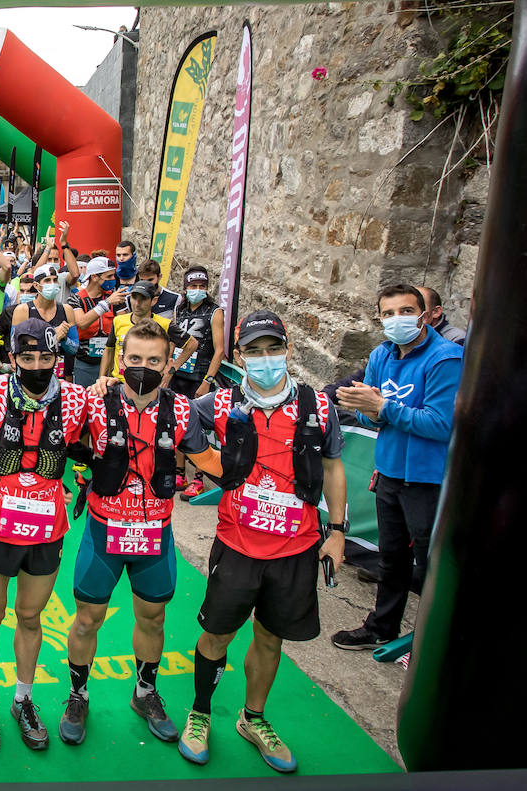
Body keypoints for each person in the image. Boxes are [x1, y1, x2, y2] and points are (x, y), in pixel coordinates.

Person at [178, 310, 347, 773]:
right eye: (254, 351)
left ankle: (253, 718)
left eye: (273, 348)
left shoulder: (319, 406)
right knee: (217, 634)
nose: (265, 359)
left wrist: (337, 533)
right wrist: (214, 466)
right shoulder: (219, 403)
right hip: (236, 545)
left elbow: (333, 468)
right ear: (240, 356)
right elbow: (181, 428)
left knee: (271, 637)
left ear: (287, 348)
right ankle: (200, 712)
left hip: (296, 549)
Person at [63, 321, 219, 749]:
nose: (143, 368)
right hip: (104, 530)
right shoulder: (93, 403)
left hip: (155, 535)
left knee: (153, 617)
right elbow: (56, 430)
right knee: (87, 619)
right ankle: (77, 695)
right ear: (121, 359)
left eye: (153, 360)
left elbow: (208, 460)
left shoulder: (183, 410)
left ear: (169, 364)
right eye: (134, 359)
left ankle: (145, 693)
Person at [0, 319, 89, 752]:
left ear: (57, 358)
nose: (38, 366)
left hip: (45, 530)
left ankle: (23, 698)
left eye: (46, 358)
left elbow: (89, 442)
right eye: (28, 357)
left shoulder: (77, 398)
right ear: (12, 358)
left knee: (31, 617)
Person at [333, 284, 464, 650]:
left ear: (425, 314)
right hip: (389, 471)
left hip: (427, 479)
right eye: (388, 314)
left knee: (431, 565)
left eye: (405, 311)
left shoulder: (446, 359)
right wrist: (372, 411)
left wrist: (384, 408)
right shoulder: (381, 355)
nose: (397, 320)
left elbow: (441, 424)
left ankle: (435, 639)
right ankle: (382, 626)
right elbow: (366, 413)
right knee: (391, 558)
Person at [170, 266, 227, 499]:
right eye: (193, 286)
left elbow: (220, 349)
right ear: (186, 288)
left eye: (202, 286)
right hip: (179, 374)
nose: (197, 290)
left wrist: (208, 380)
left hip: (200, 376)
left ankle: (199, 478)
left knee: (199, 429)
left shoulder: (214, 312)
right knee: (179, 423)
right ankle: (179, 472)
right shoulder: (181, 311)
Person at [101, 281, 194, 385]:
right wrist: (101, 378)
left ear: (154, 301)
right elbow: (109, 349)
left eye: (143, 299)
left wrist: (171, 370)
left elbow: (192, 344)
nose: (137, 304)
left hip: (148, 386)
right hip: (120, 382)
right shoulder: (119, 321)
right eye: (134, 297)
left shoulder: (164, 324)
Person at [7, 264, 80, 380]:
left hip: (60, 373)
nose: (52, 284)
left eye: (55, 280)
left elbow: (74, 348)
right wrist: (52, 336)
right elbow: (14, 346)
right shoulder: (22, 311)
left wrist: (65, 339)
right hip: (31, 372)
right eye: (47, 280)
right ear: (36, 285)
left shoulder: (67, 309)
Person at [68, 258, 127, 387]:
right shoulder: (75, 299)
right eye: (109, 276)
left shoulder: (116, 297)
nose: (113, 279)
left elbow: (125, 327)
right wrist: (106, 304)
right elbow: (82, 322)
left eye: (113, 275)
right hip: (85, 362)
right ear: (94, 277)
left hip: (111, 363)